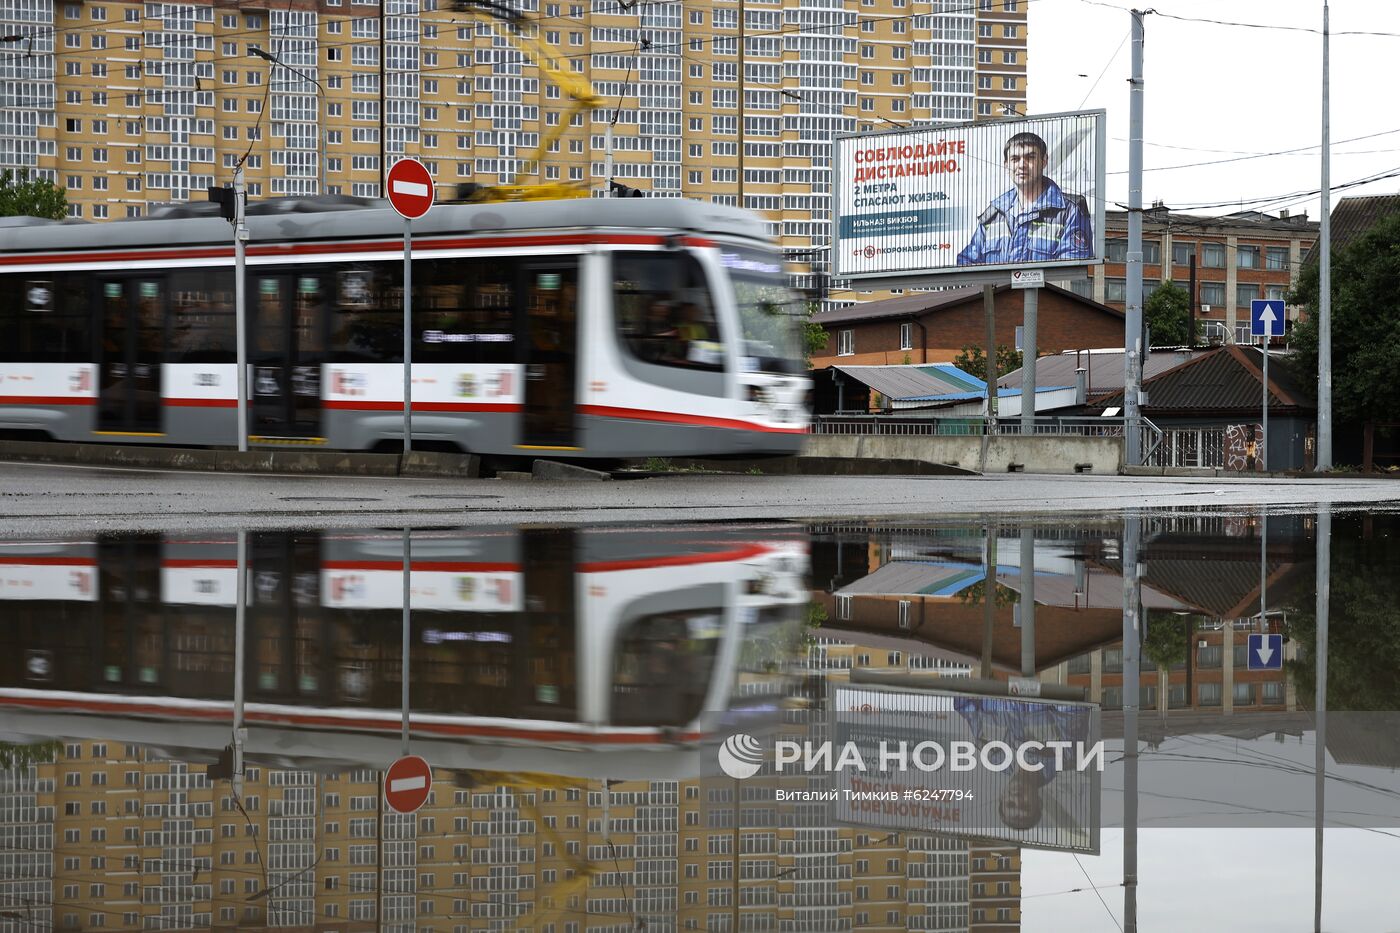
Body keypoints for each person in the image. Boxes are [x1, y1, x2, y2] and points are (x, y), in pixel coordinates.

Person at [957, 131, 1095, 266]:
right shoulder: (994, 214)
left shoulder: (1069, 210)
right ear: (1006, 165)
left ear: (1044, 161)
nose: (1022, 165)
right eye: (1015, 159)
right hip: (997, 290)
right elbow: (966, 263)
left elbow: (1072, 267)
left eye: (1030, 157)